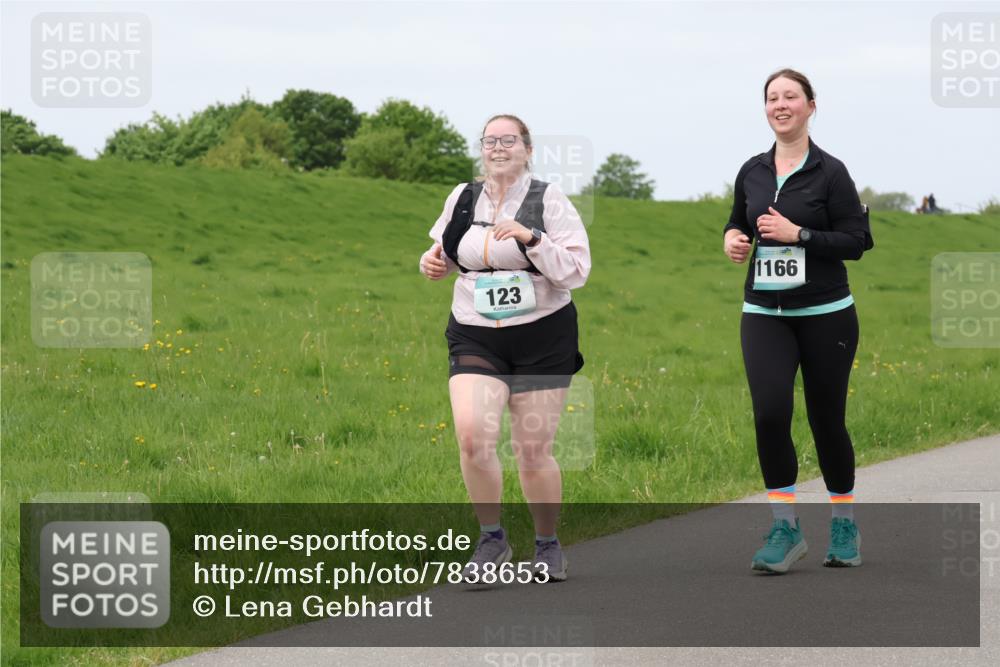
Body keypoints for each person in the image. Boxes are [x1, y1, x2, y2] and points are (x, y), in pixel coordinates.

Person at [419, 114, 591, 583]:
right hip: (475, 330)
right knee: (473, 437)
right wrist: (433, 264)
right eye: (490, 140)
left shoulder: (549, 199)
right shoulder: (462, 196)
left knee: (532, 450)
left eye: (508, 140)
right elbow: (443, 249)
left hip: (544, 333)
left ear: (527, 149)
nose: (498, 148)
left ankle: (547, 544)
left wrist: (530, 238)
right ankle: (492, 539)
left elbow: (576, 271)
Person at [722, 69, 874, 574]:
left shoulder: (831, 172)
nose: (780, 104)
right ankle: (785, 528)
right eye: (772, 97)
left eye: (791, 96)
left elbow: (856, 241)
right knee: (769, 412)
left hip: (826, 314)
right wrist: (733, 240)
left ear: (811, 106)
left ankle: (844, 523)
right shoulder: (752, 169)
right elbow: (738, 222)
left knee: (826, 420)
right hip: (764, 312)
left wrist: (799, 234)